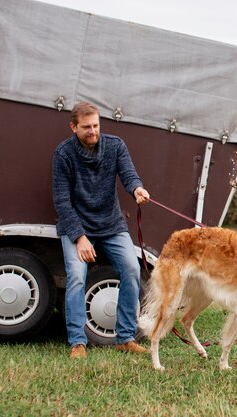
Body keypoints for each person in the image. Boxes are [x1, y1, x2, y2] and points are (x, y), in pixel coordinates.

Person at [53, 102, 150, 359]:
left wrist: (137, 189)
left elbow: (129, 174)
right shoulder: (63, 154)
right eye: (86, 127)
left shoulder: (115, 145)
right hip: (77, 227)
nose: (93, 131)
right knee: (76, 275)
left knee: (131, 268)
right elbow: (62, 201)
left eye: (96, 125)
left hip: (111, 224)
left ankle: (125, 337)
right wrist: (80, 237)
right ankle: (77, 342)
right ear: (73, 127)